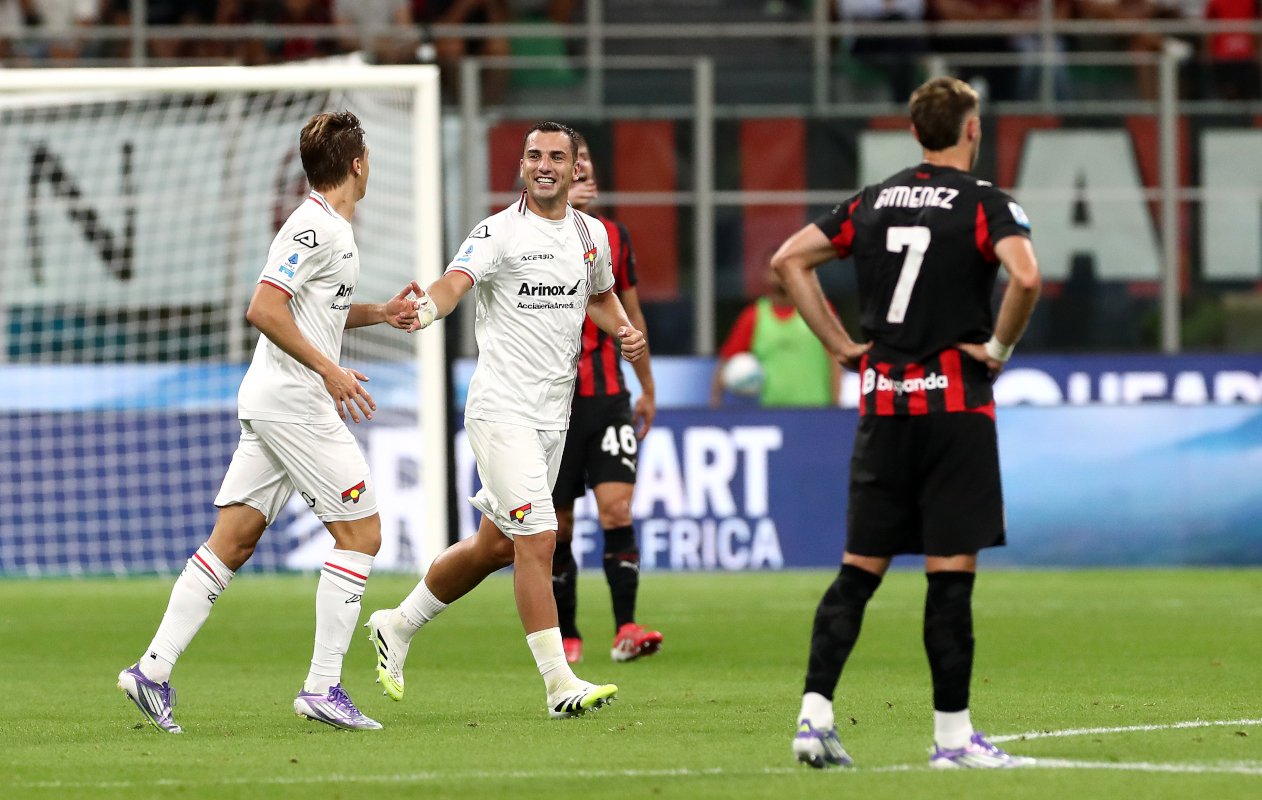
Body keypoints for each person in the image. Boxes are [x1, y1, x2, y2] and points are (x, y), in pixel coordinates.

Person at [117, 111, 422, 734]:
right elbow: (264, 307)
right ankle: (322, 686)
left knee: (233, 541)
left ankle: (151, 671)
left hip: (275, 398)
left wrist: (381, 314)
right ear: (358, 164)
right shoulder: (313, 226)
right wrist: (330, 370)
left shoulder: (327, 226)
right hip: (295, 402)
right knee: (362, 536)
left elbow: (317, 313)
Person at [771, 76, 1041, 769]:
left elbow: (789, 260)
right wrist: (1001, 350)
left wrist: (839, 346)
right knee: (949, 576)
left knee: (858, 570)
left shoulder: (874, 201)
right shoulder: (985, 205)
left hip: (885, 406)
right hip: (954, 409)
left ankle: (813, 718)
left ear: (916, 132)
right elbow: (1028, 277)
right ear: (971, 131)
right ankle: (953, 741)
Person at [365, 121, 647, 719]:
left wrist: (621, 328)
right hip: (500, 411)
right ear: (522, 165)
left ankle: (397, 624)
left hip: (554, 415)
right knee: (539, 539)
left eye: (556, 157)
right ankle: (557, 684)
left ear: (575, 169)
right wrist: (427, 309)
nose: (544, 165)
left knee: (496, 546)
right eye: (534, 155)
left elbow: (597, 294)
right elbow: (454, 282)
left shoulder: (590, 234)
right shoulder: (497, 232)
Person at [550, 134, 662, 665]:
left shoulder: (614, 236)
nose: (588, 173)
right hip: (552, 403)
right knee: (560, 524)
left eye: (591, 164)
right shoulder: (532, 237)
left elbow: (630, 315)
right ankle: (567, 631)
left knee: (617, 508)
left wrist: (646, 385)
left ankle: (627, 628)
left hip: (609, 397)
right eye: (580, 165)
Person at [710, 269, 840, 408]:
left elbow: (835, 359)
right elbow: (725, 363)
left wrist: (836, 405)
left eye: (786, 268)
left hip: (816, 410)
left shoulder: (819, 308)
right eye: (775, 270)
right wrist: (716, 406)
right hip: (771, 413)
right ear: (767, 276)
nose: (781, 275)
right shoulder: (754, 316)